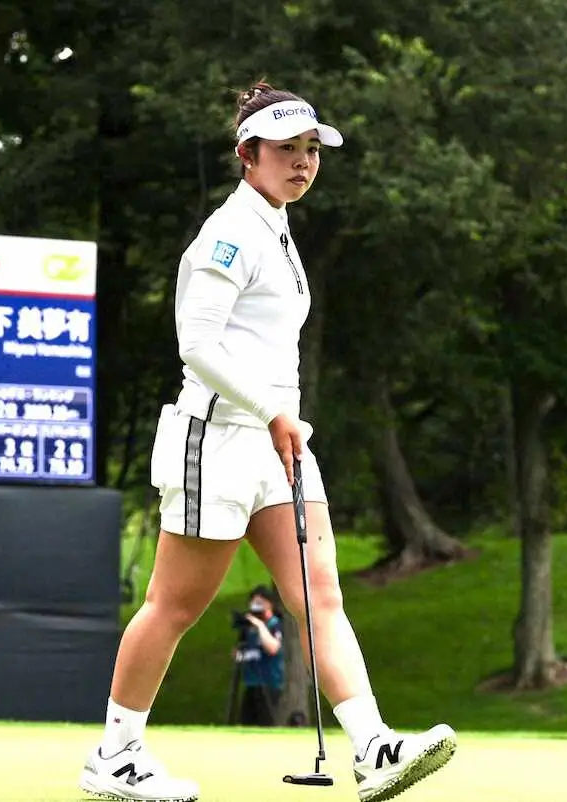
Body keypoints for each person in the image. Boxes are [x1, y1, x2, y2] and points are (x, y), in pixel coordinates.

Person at [78, 81, 457, 802]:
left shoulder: (277, 228)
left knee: (318, 595)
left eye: (311, 150)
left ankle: (374, 746)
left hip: (277, 443)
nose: (303, 162)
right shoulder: (230, 234)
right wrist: (270, 412)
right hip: (215, 440)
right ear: (248, 155)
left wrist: (281, 420)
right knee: (175, 605)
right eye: (287, 150)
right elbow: (197, 346)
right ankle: (116, 755)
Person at [234, 585, 284, 727]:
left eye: (260, 602)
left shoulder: (274, 624)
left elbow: (273, 648)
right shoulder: (250, 627)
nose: (256, 606)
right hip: (251, 682)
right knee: (246, 723)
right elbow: (240, 652)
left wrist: (260, 626)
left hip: (269, 683)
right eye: (254, 602)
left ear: (270, 604)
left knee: (266, 723)